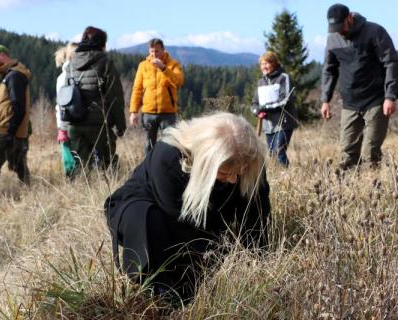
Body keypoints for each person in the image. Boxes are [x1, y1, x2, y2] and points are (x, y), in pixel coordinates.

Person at [104, 112, 270, 301]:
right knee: (150, 221)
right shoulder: (168, 156)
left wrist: (257, 261)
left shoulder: (248, 158)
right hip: (151, 210)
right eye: (225, 173)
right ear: (205, 163)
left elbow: (258, 214)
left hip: (200, 216)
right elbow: (184, 227)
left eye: (238, 172)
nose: (233, 179)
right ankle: (161, 291)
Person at [321, 3, 398, 169]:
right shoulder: (332, 39)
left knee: (370, 153)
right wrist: (325, 99)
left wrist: (390, 96)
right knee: (347, 152)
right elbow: (329, 70)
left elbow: (391, 63)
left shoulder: (374, 32)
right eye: (334, 28)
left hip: (376, 100)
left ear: (349, 18)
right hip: (349, 103)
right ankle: (350, 191)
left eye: (341, 26)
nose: (339, 31)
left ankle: (373, 190)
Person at [67, 26, 126, 175]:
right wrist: (120, 124)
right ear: (102, 44)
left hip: (75, 122)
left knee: (80, 166)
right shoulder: (105, 62)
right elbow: (115, 96)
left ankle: (78, 195)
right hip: (99, 123)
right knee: (108, 164)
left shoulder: (71, 64)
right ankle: (108, 195)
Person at [129, 38, 184, 153]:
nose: (154, 54)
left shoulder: (173, 64)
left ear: (163, 50)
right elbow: (137, 89)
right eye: (152, 51)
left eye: (157, 51)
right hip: (148, 113)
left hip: (167, 113)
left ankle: (166, 168)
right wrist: (134, 111)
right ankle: (149, 169)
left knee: (169, 145)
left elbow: (178, 81)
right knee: (149, 146)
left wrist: (163, 68)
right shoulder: (143, 66)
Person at [0, 44, 31, 187]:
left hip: (8, 130)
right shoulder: (10, 75)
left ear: (3, 56)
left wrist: (10, 132)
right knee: (18, 164)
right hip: (10, 130)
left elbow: (18, 106)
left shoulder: (14, 76)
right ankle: (28, 191)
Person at [251, 51, 298, 168]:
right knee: (272, 154)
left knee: (279, 152)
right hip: (268, 127)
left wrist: (265, 108)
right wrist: (257, 111)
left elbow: (285, 100)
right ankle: (280, 178)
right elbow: (254, 104)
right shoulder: (261, 82)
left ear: (274, 63)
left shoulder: (283, 78)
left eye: (267, 63)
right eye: (262, 64)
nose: (264, 67)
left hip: (284, 123)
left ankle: (288, 175)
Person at [54, 42, 78, 144]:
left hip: (68, 123)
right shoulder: (65, 77)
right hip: (76, 123)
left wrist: (61, 128)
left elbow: (61, 106)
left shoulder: (61, 77)